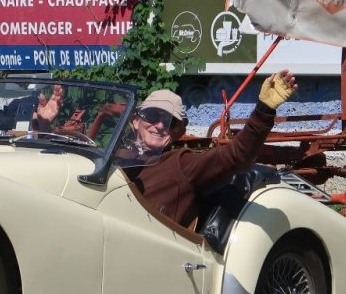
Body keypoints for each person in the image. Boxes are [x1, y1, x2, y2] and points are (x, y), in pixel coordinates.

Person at [121, 70, 297, 228]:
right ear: (135, 121)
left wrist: (264, 110)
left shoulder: (182, 164)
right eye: (152, 116)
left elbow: (237, 155)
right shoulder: (115, 158)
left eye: (170, 122)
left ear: (179, 132)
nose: (160, 125)